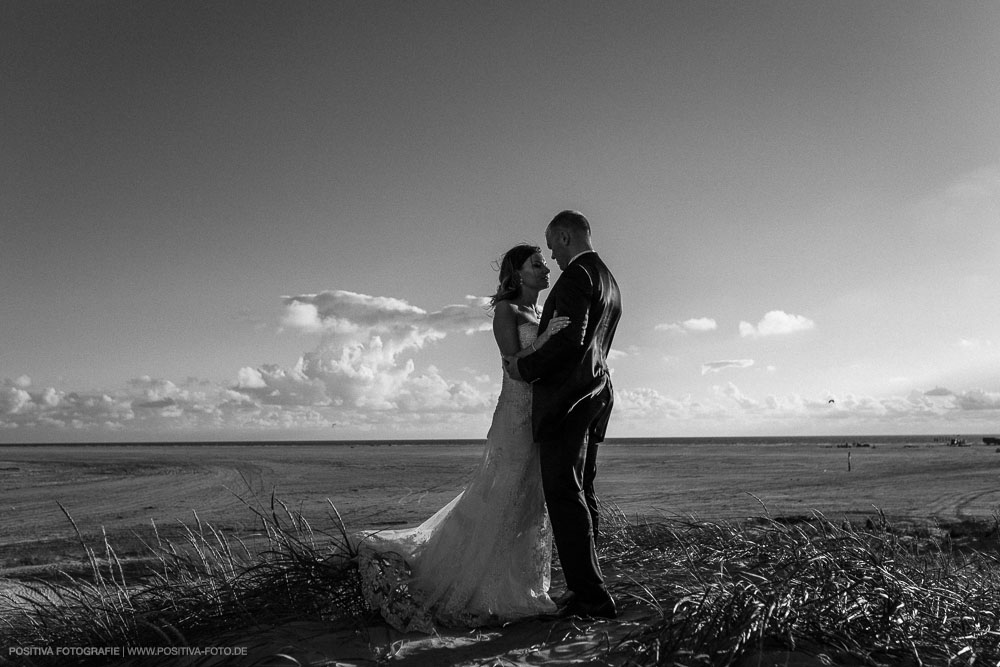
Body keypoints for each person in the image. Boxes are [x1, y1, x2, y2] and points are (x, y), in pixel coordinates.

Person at [356, 243, 569, 632]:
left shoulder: (542, 311)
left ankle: (522, 587)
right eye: (536, 264)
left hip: (542, 414)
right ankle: (480, 590)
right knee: (503, 495)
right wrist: (546, 338)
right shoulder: (507, 311)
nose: (545, 269)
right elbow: (512, 363)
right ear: (517, 274)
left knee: (529, 502)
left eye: (543, 263)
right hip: (515, 414)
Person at [505, 210, 622, 619]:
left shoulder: (577, 275)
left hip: (569, 399)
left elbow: (570, 339)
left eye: (552, 245)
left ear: (565, 235)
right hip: (595, 395)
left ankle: (590, 595)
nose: (551, 256)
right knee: (582, 490)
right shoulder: (609, 280)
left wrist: (524, 369)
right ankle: (589, 585)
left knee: (564, 492)